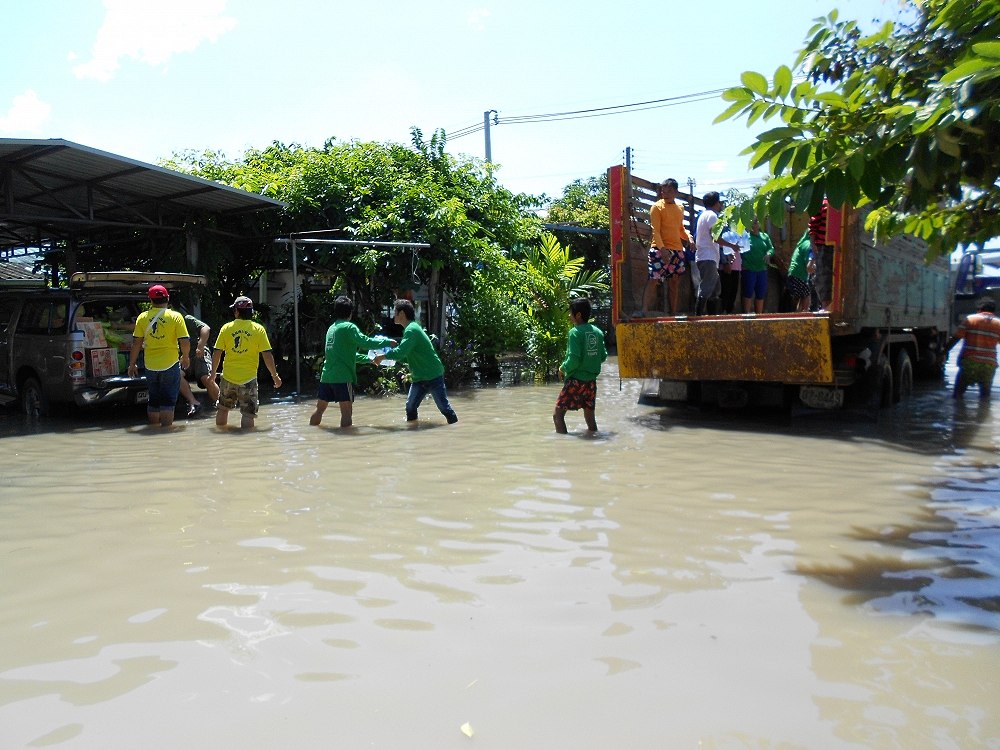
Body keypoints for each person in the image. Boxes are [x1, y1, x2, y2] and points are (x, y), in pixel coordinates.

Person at [310, 296, 394, 428]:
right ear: (350, 313)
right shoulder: (349, 327)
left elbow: (347, 354)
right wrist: (387, 342)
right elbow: (366, 342)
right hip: (342, 378)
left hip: (326, 377)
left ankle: (311, 433)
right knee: (347, 413)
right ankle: (345, 442)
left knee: (319, 410)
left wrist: (368, 359)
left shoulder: (331, 329)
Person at [374, 299, 458, 425]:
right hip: (419, 377)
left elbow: (401, 352)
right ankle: (413, 430)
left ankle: (456, 429)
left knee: (444, 408)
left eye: (395, 312)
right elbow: (404, 355)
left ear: (402, 313)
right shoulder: (410, 329)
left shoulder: (411, 330)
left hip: (432, 375)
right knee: (410, 407)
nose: (393, 316)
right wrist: (390, 358)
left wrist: (383, 357)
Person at [209, 296, 282, 429]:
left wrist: (213, 374)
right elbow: (267, 355)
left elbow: (217, 352)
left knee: (223, 408)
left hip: (228, 377)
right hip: (248, 379)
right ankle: (247, 443)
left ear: (236, 311)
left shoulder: (226, 328)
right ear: (251, 312)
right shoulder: (258, 329)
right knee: (248, 414)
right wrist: (275, 376)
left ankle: (221, 438)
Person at [127, 284, 190, 427]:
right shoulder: (175, 317)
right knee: (168, 401)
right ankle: (166, 433)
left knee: (154, 400)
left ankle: (154, 430)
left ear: (150, 300)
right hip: (170, 364)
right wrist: (185, 357)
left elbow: (136, 343)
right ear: (167, 298)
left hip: (150, 365)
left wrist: (132, 364)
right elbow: (184, 340)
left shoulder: (142, 317)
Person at [554, 297, 608, 433]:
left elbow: (574, 360)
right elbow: (603, 356)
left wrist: (562, 368)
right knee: (590, 419)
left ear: (578, 315)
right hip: (591, 383)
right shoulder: (598, 332)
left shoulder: (575, 333)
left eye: (570, 313)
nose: (569, 315)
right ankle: (594, 441)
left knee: (557, 416)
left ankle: (562, 447)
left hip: (575, 381)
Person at [642, 178, 692, 317]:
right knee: (653, 279)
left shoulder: (680, 208)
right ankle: (644, 310)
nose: (665, 193)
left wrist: (690, 238)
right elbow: (655, 231)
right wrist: (662, 249)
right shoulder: (656, 207)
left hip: (677, 250)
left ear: (676, 191)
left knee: (674, 282)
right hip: (659, 249)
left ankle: (673, 313)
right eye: (663, 190)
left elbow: (681, 229)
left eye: (669, 190)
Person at [694, 192, 742, 316]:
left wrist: (727, 253)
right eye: (720, 202)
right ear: (716, 203)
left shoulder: (704, 215)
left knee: (715, 289)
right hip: (708, 257)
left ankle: (712, 317)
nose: (721, 205)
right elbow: (715, 237)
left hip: (707, 256)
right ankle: (698, 316)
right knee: (707, 287)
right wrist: (732, 246)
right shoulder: (712, 216)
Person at [948, 298, 1000, 401]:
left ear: (979, 309)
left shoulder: (970, 319)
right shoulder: (998, 323)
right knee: (985, 398)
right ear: (993, 311)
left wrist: (944, 352)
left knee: (957, 395)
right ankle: (984, 415)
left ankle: (958, 414)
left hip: (969, 362)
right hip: (989, 365)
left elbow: (956, 338)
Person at [178, 311, 221, 416]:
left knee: (206, 378)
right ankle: (193, 402)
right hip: (183, 356)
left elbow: (206, 328)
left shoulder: (186, 319)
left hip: (198, 353)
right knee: (176, 376)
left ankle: (222, 405)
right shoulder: (165, 323)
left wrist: (200, 346)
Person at [741, 219, 775, 314]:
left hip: (762, 270)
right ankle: (746, 314)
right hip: (749, 269)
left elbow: (771, 248)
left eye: (755, 222)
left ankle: (759, 315)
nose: (753, 225)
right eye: (751, 222)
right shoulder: (745, 237)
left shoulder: (765, 236)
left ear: (759, 224)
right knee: (748, 292)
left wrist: (769, 254)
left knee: (761, 293)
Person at [784, 230, 815, 312]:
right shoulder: (808, 245)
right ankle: (805, 314)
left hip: (794, 275)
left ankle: (798, 313)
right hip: (799, 275)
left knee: (802, 297)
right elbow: (809, 267)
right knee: (806, 296)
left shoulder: (803, 242)